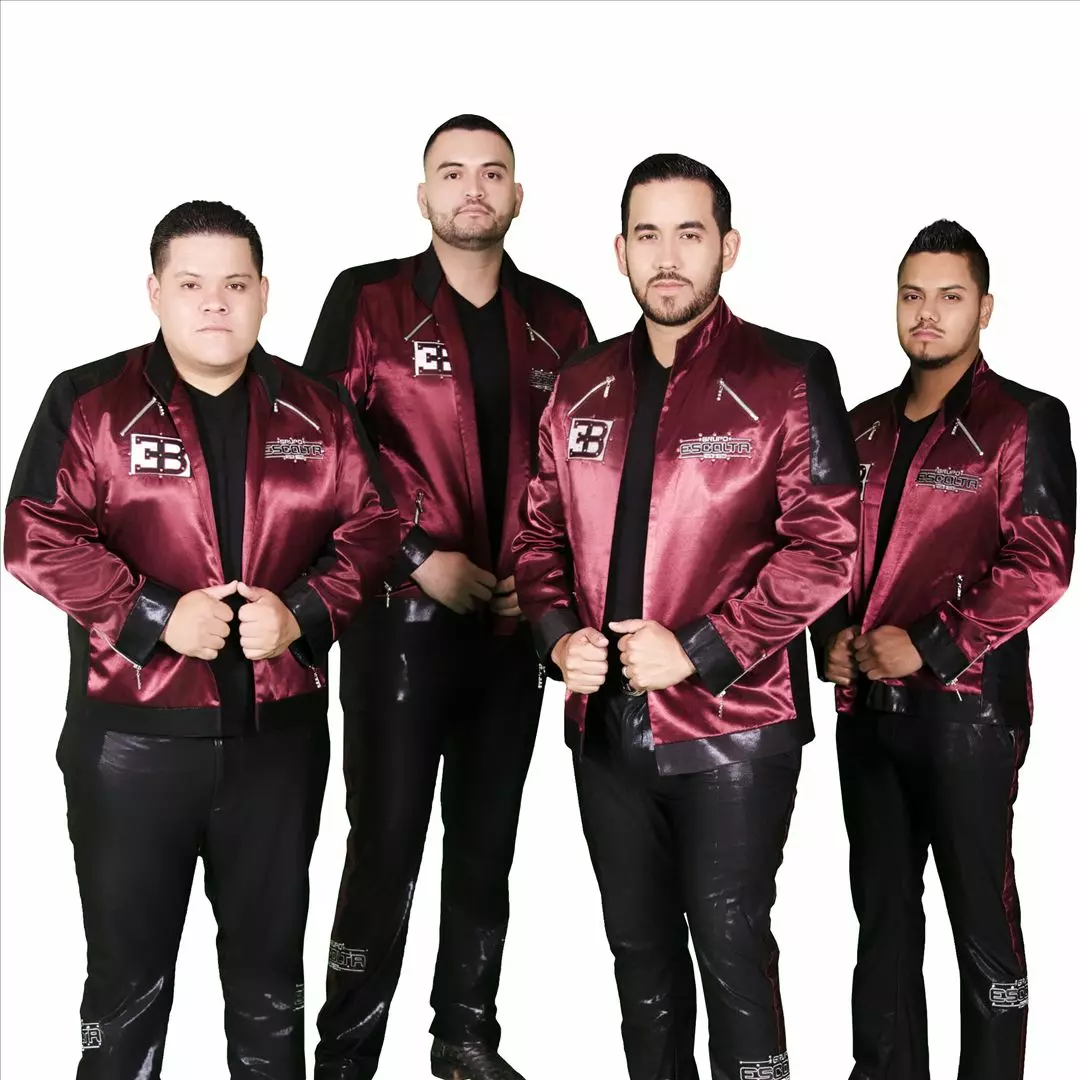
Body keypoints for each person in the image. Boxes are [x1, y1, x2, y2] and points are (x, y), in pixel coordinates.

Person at [3, 200, 400, 1080]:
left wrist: (302, 612)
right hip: (131, 746)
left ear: (264, 294)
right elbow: (33, 534)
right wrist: (154, 615)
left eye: (234, 284)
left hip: (278, 745)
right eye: (191, 284)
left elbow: (375, 528)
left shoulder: (321, 409)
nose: (214, 302)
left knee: (269, 989)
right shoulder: (90, 402)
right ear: (155, 293)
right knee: (124, 993)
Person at [513, 153, 860, 1080]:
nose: (667, 257)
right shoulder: (580, 381)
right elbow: (536, 537)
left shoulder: (788, 373)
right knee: (640, 965)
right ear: (620, 250)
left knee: (733, 952)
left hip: (734, 733)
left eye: (690, 234)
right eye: (648, 235)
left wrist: (704, 650)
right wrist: (557, 639)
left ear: (728, 248)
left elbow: (829, 547)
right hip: (603, 732)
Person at [302, 115, 594, 1080]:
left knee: (486, 840)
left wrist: (543, 592)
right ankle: (345, 1052)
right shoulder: (369, 300)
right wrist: (418, 555)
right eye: (453, 171)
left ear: (519, 196)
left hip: (513, 632)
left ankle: (465, 1037)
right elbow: (322, 444)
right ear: (422, 194)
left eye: (493, 172)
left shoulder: (561, 321)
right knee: (385, 839)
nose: (474, 187)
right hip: (401, 622)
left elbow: (583, 468)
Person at [813, 219, 1075, 1080]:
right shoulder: (860, 427)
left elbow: (1042, 562)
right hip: (868, 718)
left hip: (968, 718)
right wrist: (830, 638)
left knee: (983, 928)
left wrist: (930, 647)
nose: (927, 313)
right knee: (883, 924)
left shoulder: (1024, 420)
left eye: (950, 296)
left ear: (984, 308)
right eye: (913, 295)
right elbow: (824, 551)